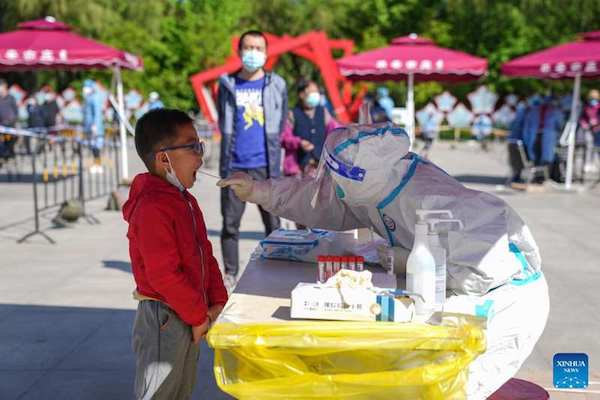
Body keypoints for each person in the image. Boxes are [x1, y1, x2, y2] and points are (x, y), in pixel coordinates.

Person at [219, 123, 549, 399]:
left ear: (354, 177)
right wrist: (259, 191)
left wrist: (406, 260)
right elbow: (320, 201)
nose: (331, 184)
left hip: (505, 305)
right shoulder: (372, 186)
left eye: (337, 176)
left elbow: (485, 270)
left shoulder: (428, 197)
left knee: (449, 388)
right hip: (460, 292)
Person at [123, 108, 228, 400]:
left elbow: (204, 254)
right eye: (192, 146)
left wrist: (218, 299)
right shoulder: (152, 207)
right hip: (165, 318)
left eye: (200, 146)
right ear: (164, 158)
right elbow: (164, 274)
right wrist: (197, 317)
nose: (201, 156)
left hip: (188, 311)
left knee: (181, 390)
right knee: (159, 392)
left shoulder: (185, 200)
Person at [217, 30, 288, 287]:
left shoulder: (277, 84)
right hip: (234, 164)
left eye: (258, 48)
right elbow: (222, 120)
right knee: (230, 224)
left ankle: (278, 268)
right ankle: (230, 274)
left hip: (265, 165)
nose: (253, 53)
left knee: (273, 223)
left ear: (266, 53)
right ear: (239, 52)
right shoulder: (227, 84)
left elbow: (280, 123)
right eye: (248, 47)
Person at [281, 78, 341, 178]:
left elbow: (335, 129)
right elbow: (285, 138)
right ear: (301, 95)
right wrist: (299, 142)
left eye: (316, 92)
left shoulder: (323, 112)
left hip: (320, 167)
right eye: (312, 92)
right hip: (298, 170)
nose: (315, 95)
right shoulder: (292, 114)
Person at [82, 79, 105, 174]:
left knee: (96, 147)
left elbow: (97, 113)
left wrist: (95, 125)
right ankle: (96, 164)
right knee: (93, 147)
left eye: (86, 87)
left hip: (95, 127)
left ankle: (98, 165)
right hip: (90, 126)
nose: (85, 89)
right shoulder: (88, 97)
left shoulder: (94, 97)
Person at [0, 79, 19, 161]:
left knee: (11, 140)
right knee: (2, 142)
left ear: (4, 86)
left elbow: (16, 111)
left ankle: (9, 153)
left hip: (10, 125)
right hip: (1, 125)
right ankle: (4, 155)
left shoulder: (11, 98)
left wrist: (14, 121)